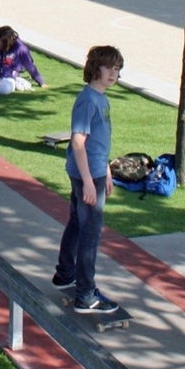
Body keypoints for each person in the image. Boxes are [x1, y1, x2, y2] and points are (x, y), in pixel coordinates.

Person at [53, 45, 125, 315]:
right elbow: (79, 142)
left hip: (94, 171)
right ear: (95, 68)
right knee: (90, 234)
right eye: (108, 68)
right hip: (86, 175)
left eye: (117, 69)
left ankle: (65, 274)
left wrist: (105, 170)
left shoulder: (101, 99)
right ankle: (85, 295)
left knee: (76, 222)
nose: (113, 73)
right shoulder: (87, 100)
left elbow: (98, 142)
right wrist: (87, 182)